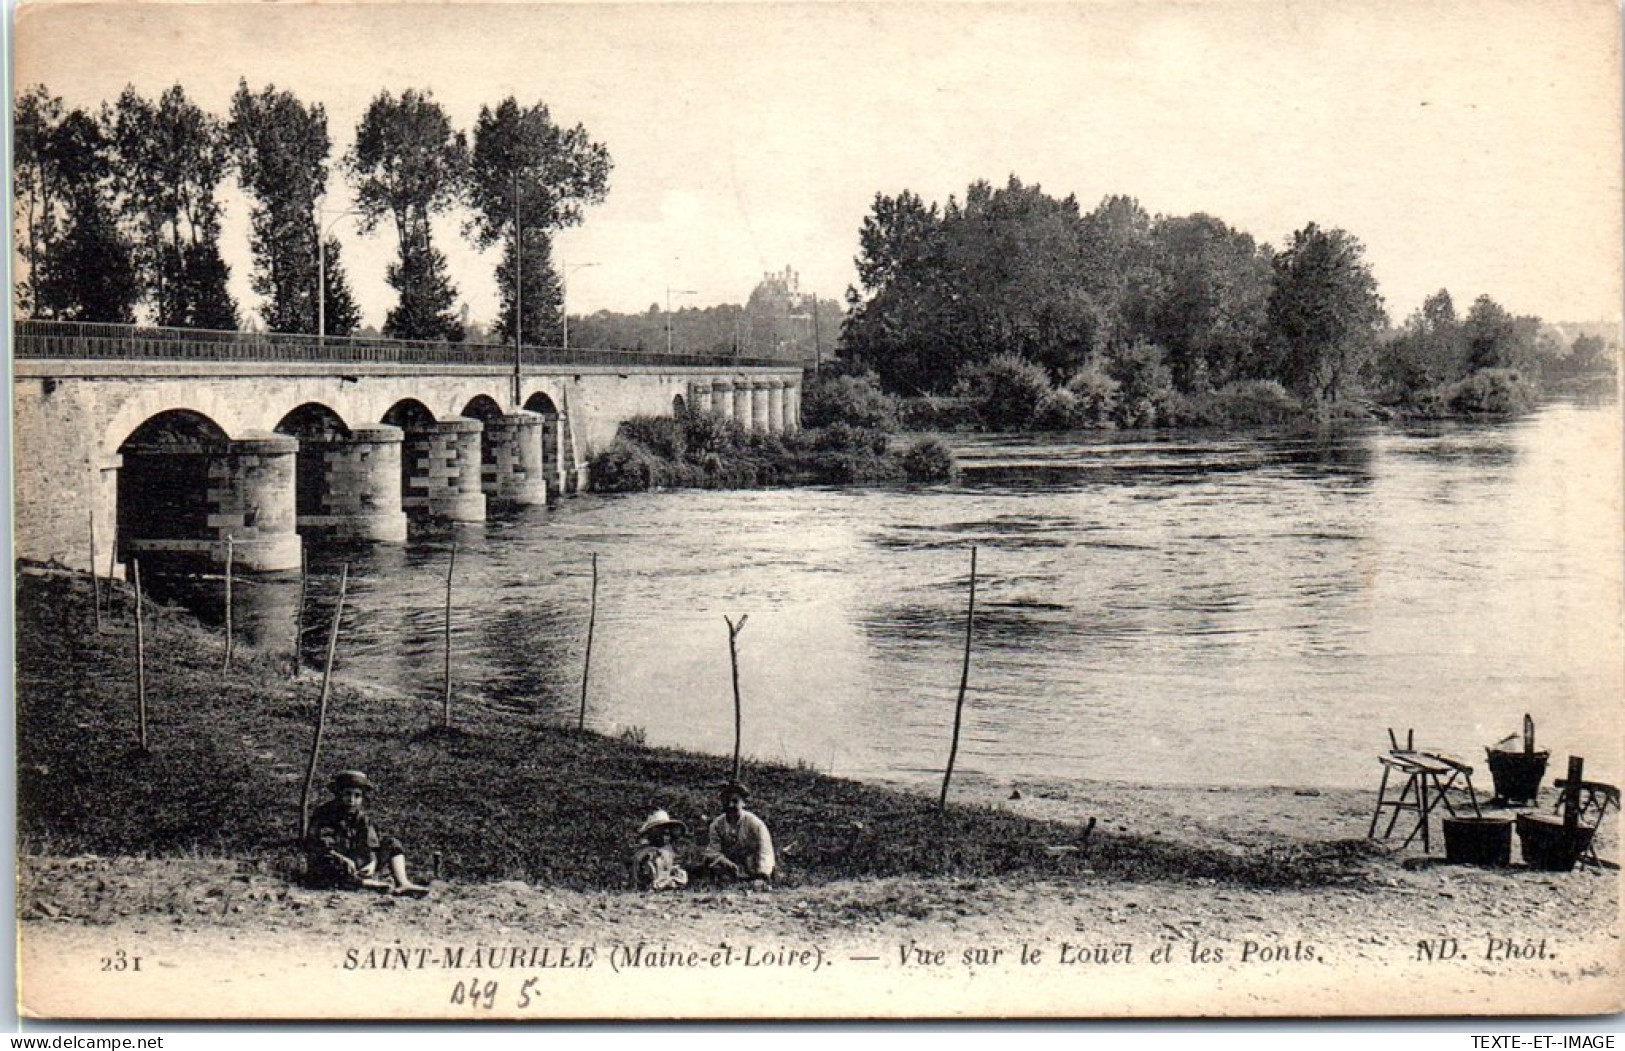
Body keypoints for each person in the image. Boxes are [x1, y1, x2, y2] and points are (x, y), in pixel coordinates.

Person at [305, 770, 431, 897]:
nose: (351, 800)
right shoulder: (325, 813)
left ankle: (403, 882)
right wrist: (343, 859)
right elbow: (321, 844)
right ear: (339, 794)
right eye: (347, 794)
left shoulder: (362, 817)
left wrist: (372, 863)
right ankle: (363, 883)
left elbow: (371, 843)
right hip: (333, 861)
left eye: (357, 796)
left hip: (355, 862)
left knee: (391, 843)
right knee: (326, 861)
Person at [701, 781, 775, 882]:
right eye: (726, 801)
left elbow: (765, 851)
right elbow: (713, 850)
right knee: (711, 865)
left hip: (752, 864)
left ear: (743, 803)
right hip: (730, 865)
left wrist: (762, 874)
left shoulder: (755, 824)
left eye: (735, 801)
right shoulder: (717, 824)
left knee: (756, 869)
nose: (730, 805)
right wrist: (726, 862)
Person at [631, 809, 690, 891]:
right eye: (660, 830)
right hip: (651, 888)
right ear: (652, 832)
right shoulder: (645, 853)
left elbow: (670, 868)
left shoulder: (667, 850)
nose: (664, 834)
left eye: (666, 830)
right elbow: (645, 875)